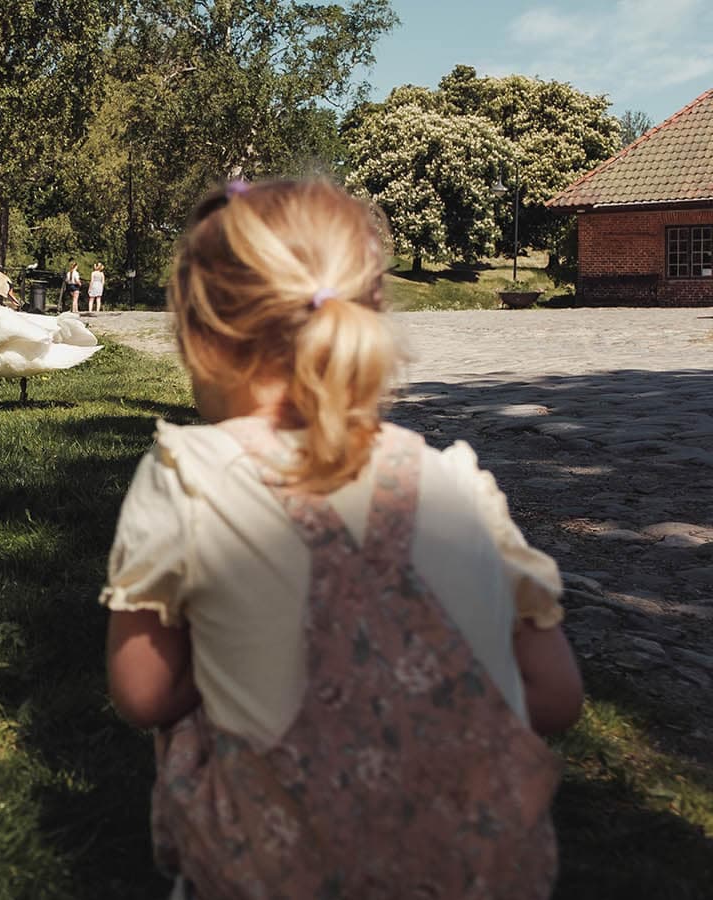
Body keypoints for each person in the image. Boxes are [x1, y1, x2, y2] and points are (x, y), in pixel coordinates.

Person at [101, 178, 582, 899]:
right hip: (482, 877)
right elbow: (555, 695)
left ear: (200, 338)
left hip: (275, 873)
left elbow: (142, 692)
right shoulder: (458, 483)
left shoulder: (187, 474)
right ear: (371, 314)